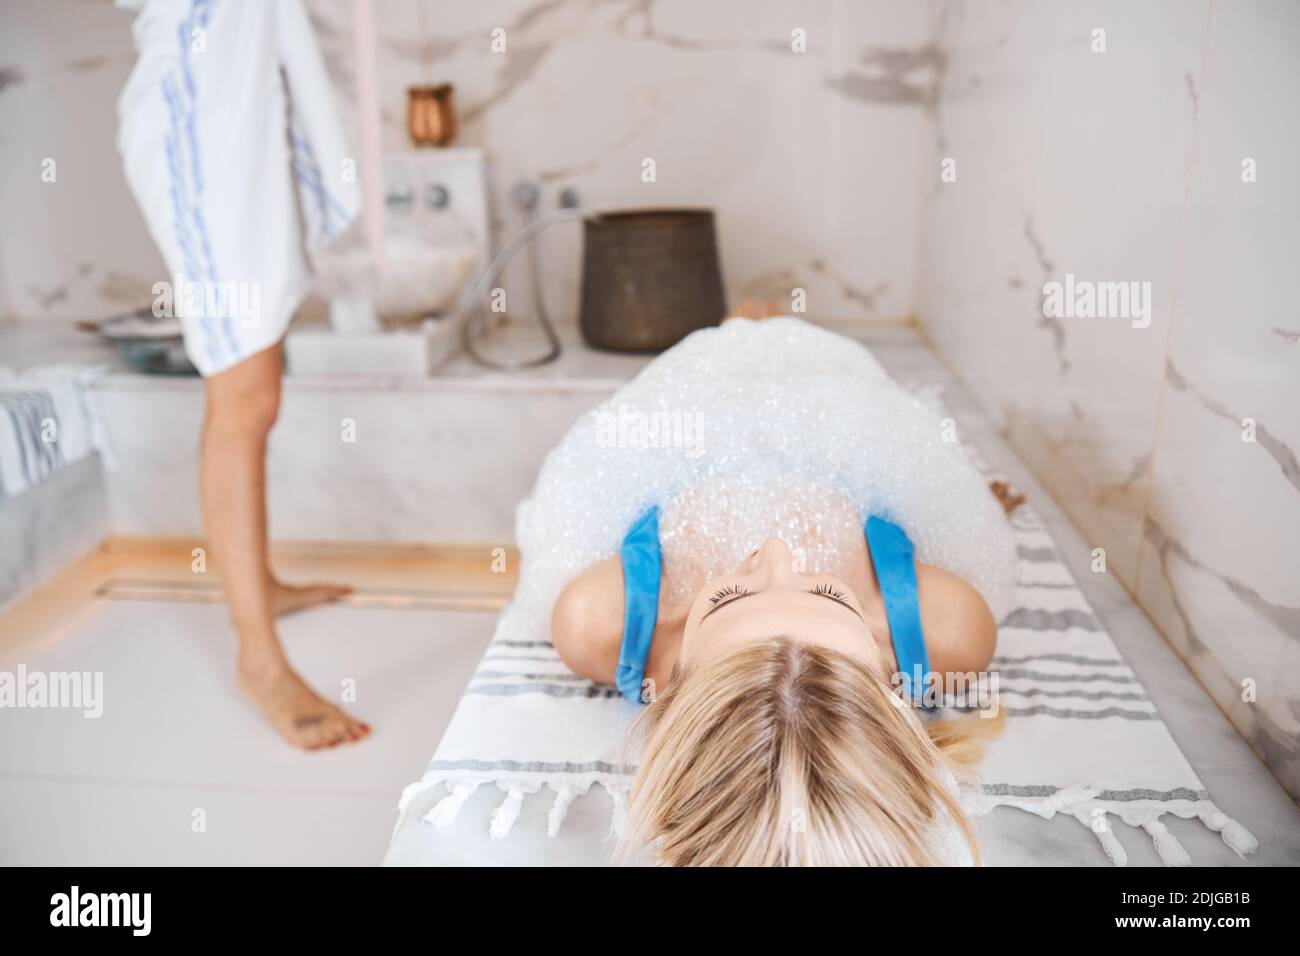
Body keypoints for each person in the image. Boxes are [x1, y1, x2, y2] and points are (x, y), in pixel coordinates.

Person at [528, 309, 1020, 864]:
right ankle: (769, 321)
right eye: (830, 595)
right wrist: (969, 503)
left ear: (673, 687)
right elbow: (935, 483)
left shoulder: (601, 621)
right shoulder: (946, 630)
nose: (776, 552)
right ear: (888, 692)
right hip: (837, 404)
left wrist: (726, 346)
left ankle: (742, 322)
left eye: (731, 594)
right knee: (779, 316)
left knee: (743, 318)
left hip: (700, 400)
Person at [116, 0, 368, 748]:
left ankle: (262, 587)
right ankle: (258, 659)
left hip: (240, 111)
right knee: (243, 397)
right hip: (201, 120)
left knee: (260, 392)